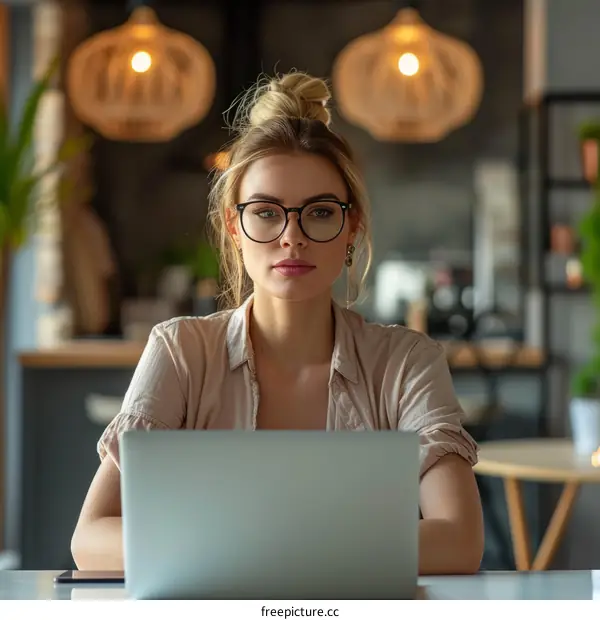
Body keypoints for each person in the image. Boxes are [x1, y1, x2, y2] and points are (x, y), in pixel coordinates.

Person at [71, 71, 484, 575]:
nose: (292, 237)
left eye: (320, 212)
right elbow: (90, 539)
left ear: (351, 225)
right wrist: (300, 552)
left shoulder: (407, 362)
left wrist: (245, 550)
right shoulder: (180, 351)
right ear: (233, 225)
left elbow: (460, 540)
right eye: (266, 213)